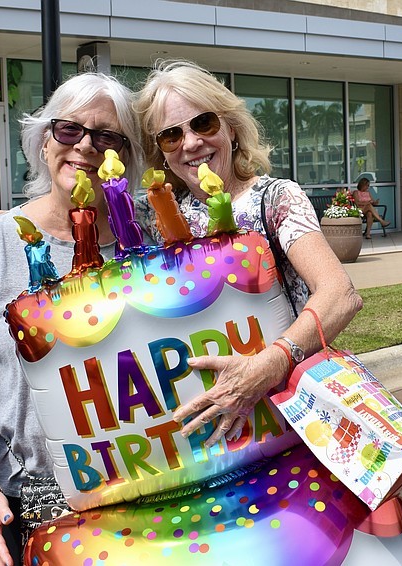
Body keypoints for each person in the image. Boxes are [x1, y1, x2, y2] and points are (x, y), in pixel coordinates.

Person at [0, 73, 145, 566]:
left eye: (107, 136)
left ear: (126, 153)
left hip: (144, 495)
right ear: (44, 141)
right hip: (29, 503)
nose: (86, 147)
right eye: (69, 130)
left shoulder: (149, 241)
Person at [134, 59, 362, 442]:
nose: (190, 143)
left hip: (288, 416)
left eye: (203, 123)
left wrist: (266, 367)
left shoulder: (275, 198)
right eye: (171, 135)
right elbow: (60, 218)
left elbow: (341, 295)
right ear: (161, 152)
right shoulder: (149, 214)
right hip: (202, 433)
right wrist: (2, 220)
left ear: (232, 127)